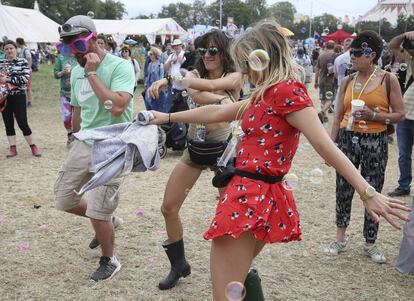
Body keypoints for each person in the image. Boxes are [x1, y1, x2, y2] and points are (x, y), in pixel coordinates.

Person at [148, 20, 410, 301]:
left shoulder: (285, 91)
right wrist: (167, 117)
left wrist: (366, 191)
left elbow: (324, 145)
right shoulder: (267, 92)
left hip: (250, 197)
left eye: (246, 61)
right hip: (258, 195)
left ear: (264, 56)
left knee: (223, 296)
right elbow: (217, 113)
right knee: (236, 282)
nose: (244, 70)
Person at [148, 29, 241, 290]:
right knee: (168, 207)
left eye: (213, 50)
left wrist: (175, 81)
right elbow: (195, 88)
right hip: (195, 148)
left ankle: (237, 265)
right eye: (203, 50)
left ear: (224, 52)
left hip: (225, 151)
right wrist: (170, 80)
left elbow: (204, 90)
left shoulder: (235, 76)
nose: (207, 55)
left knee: (230, 214)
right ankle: (178, 264)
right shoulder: (194, 75)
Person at [53, 15, 135, 282]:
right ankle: (110, 221)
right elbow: (78, 110)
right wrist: (73, 138)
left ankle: (109, 259)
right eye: (66, 48)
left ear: (95, 41)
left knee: (99, 211)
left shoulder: (120, 67)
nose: (72, 54)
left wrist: (92, 73)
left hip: (113, 144)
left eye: (77, 46)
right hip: (84, 142)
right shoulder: (76, 70)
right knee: (65, 199)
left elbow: (118, 107)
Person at [326, 31, 405, 263]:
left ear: (371, 56)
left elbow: (399, 115)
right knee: (343, 189)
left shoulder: (387, 79)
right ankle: (340, 239)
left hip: (375, 141)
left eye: (357, 53)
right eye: (351, 52)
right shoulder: (347, 80)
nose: (352, 56)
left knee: (373, 190)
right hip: (348, 139)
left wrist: (373, 114)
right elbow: (338, 114)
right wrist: (330, 146)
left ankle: (370, 242)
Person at [0, 40, 41, 158]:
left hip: (19, 96)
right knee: (8, 123)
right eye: (6, 49)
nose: (9, 50)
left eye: (11, 48)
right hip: (4, 97)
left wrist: (7, 80)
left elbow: (24, 79)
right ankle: (13, 148)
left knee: (22, 122)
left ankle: (33, 146)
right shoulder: (1, 63)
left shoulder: (22, 62)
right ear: (4, 50)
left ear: (15, 49)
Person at [386, 31, 414, 197]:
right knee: (404, 155)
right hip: (405, 117)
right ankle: (404, 185)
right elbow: (392, 45)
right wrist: (405, 35)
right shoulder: (410, 60)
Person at [53, 52, 78, 147]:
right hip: (65, 93)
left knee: (78, 117)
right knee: (66, 117)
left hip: (78, 93)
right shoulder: (61, 57)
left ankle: (77, 137)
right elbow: (55, 74)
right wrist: (62, 73)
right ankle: (70, 134)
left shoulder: (81, 55)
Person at [315, 40, 337, 123]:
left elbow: (317, 69)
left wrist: (316, 81)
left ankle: (324, 116)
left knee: (323, 98)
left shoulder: (321, 55)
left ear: (326, 46)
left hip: (322, 79)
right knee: (330, 99)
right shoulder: (335, 56)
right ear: (334, 46)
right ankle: (323, 112)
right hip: (330, 81)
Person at [143, 46, 168, 112]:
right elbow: (147, 76)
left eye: (151, 54)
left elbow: (161, 77)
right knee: (149, 103)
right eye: (149, 54)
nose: (150, 56)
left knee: (158, 105)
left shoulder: (160, 65)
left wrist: (159, 86)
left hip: (157, 88)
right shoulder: (149, 65)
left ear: (155, 55)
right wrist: (145, 85)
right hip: (149, 86)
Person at [333, 38, 353, 113]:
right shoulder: (360, 58)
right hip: (355, 89)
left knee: (338, 114)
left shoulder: (338, 58)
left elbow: (336, 75)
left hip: (341, 88)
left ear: (344, 46)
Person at [16, 38, 33, 106]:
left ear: (19, 42)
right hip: (22, 71)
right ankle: (25, 101)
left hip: (26, 71)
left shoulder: (25, 50)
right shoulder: (21, 50)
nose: (16, 44)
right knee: (23, 87)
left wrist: (27, 70)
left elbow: (30, 60)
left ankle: (29, 101)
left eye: (16, 42)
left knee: (27, 87)